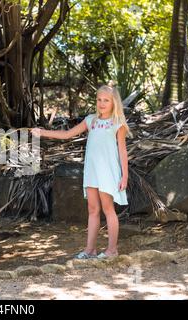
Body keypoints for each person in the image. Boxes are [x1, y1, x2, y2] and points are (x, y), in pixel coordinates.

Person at [31, 81, 131, 259]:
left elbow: (122, 151)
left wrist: (125, 176)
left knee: (108, 209)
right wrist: (43, 132)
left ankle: (112, 250)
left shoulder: (118, 124)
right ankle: (90, 249)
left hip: (108, 172)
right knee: (93, 209)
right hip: (92, 171)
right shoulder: (90, 120)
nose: (102, 103)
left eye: (106, 100)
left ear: (114, 102)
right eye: (99, 99)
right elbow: (67, 134)